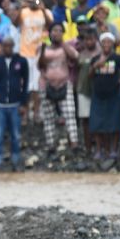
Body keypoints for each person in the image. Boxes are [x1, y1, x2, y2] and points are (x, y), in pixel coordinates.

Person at [38, 22, 79, 153]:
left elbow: (75, 56)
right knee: (49, 116)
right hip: (46, 85)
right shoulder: (43, 47)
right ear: (49, 33)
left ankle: (74, 143)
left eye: (60, 30)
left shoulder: (65, 47)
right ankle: (51, 145)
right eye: (54, 30)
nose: (57, 33)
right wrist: (43, 50)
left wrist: (62, 43)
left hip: (64, 84)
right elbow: (40, 65)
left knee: (69, 114)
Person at [0, 36, 28, 168]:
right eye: (4, 46)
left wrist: (24, 104)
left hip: (15, 104)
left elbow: (26, 83)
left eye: (9, 46)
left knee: (16, 135)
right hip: (0, 105)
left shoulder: (21, 61)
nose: (7, 48)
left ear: (13, 46)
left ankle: (16, 161)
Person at [15, 0, 53, 122]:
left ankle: (36, 112)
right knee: (24, 85)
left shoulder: (45, 12)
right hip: (24, 52)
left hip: (39, 53)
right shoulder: (24, 11)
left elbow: (51, 26)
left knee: (37, 85)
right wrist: (21, 7)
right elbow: (14, 23)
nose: (35, 1)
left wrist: (42, 9)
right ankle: (25, 112)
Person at [89, 32, 120, 161]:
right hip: (98, 95)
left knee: (114, 123)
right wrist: (96, 66)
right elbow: (89, 76)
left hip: (114, 95)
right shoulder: (95, 59)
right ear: (100, 43)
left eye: (109, 42)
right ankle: (100, 150)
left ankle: (114, 150)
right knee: (97, 124)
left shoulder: (117, 58)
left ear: (112, 44)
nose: (106, 44)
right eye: (104, 42)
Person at [76, 29, 101, 153]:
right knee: (85, 119)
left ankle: (98, 146)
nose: (89, 41)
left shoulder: (101, 53)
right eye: (86, 39)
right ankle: (88, 147)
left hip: (98, 91)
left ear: (96, 39)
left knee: (97, 118)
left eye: (91, 39)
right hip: (83, 90)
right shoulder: (81, 54)